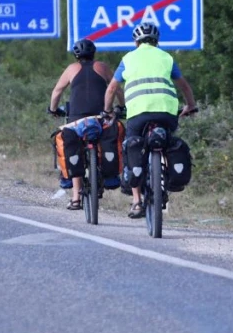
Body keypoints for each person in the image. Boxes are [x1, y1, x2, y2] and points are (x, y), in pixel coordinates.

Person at [103, 21, 197, 218]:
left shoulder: (128, 58)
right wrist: (190, 106)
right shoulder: (166, 57)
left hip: (138, 113)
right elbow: (185, 87)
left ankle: (136, 202)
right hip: (166, 111)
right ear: (156, 41)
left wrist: (107, 111)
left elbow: (112, 88)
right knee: (167, 140)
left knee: (132, 146)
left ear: (136, 42)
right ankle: (165, 173)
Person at [49, 38, 115, 209]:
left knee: (73, 148)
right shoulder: (102, 67)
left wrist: (53, 109)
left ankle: (76, 197)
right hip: (100, 117)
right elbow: (116, 88)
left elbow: (57, 91)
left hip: (76, 119)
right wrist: (121, 107)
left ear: (76, 55)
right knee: (107, 139)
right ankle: (108, 174)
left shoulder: (72, 69)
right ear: (94, 54)